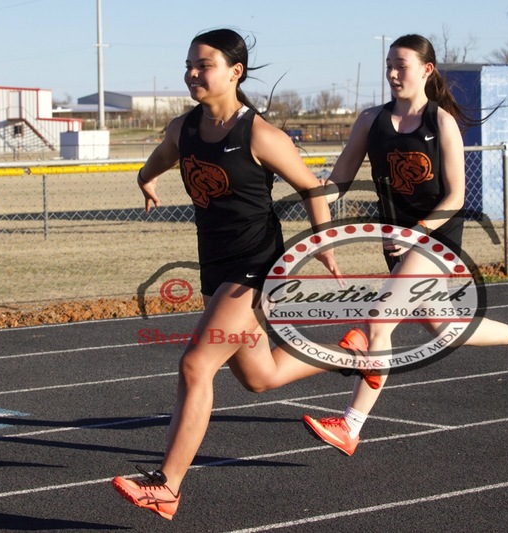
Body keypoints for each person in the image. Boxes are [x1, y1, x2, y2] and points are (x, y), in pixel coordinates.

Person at [110, 28, 363, 521]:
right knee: (259, 377)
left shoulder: (261, 135)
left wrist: (325, 245)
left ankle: (167, 485)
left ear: (234, 72)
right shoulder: (183, 129)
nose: (192, 73)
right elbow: (158, 160)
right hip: (218, 269)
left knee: (195, 364)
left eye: (203, 65)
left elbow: (313, 188)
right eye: (189, 64)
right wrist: (146, 178)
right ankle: (349, 354)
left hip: (258, 268)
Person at [301, 34, 508, 457]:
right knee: (446, 328)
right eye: (389, 64)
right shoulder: (370, 121)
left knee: (380, 320)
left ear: (426, 70)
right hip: (397, 241)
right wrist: (305, 188)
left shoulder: (441, 122)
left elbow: (455, 197)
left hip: (435, 238)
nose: (392, 73)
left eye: (401, 64)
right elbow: (338, 183)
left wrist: (417, 231)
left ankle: (351, 426)